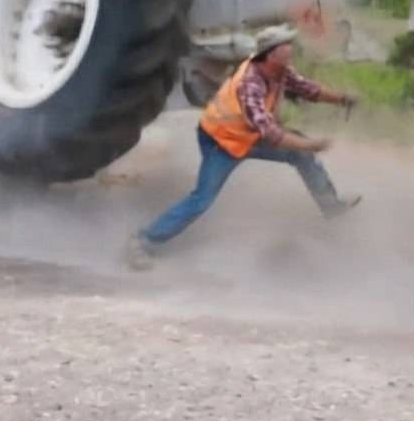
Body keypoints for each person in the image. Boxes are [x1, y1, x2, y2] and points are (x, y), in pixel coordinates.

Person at [127, 25, 361, 269]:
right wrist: (311, 144)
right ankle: (142, 241)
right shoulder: (250, 84)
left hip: (247, 136)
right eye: (286, 45)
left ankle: (330, 205)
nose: (291, 48)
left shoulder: (278, 71)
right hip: (222, 142)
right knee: (201, 199)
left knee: (301, 154)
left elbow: (306, 89)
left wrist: (341, 99)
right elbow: (270, 134)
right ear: (270, 53)